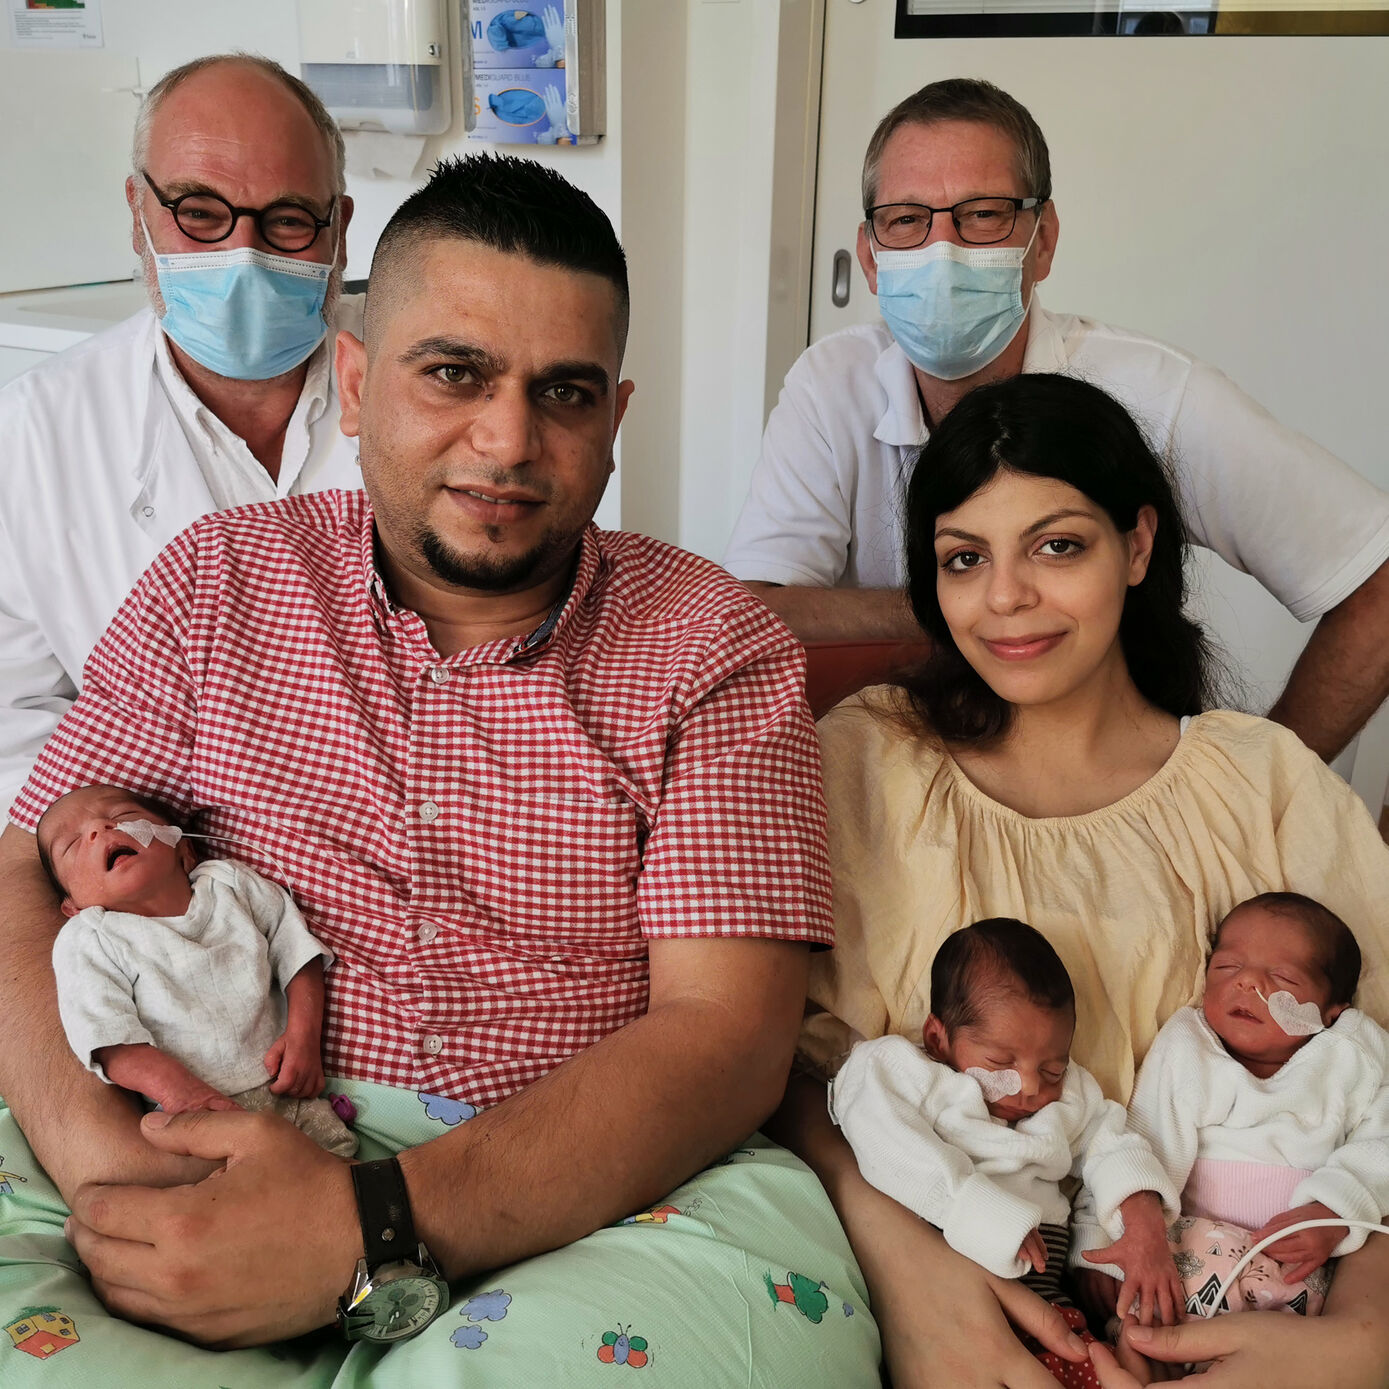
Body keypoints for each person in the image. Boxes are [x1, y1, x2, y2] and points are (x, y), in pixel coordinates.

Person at [0, 154, 878, 1386]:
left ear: (615, 421)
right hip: (197, 1139)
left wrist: (371, 1223)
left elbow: (727, 1035)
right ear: (354, 382)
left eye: (564, 393)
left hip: (598, 1192)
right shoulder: (216, 584)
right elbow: (22, 868)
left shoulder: (712, 643)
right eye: (453, 373)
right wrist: (104, 1158)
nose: (508, 440)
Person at [766, 372, 1389, 1389]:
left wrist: (1362, 1342)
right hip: (925, 1309)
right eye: (965, 558)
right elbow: (768, 1077)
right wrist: (906, 1265)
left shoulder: (1269, 787)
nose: (1006, 597)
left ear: (1139, 545)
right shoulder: (863, 766)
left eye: (1057, 546)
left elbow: (1380, 1100)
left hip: (1265, 1320)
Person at [723, 77, 1389, 761]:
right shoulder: (832, 383)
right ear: (869, 256)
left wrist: (1265, 791)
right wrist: (965, 605)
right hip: (909, 778)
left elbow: (1375, 578)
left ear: (1042, 243)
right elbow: (755, 610)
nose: (941, 251)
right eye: (906, 219)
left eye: (982, 215)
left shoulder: (1154, 396)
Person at [0, 53, 363, 814]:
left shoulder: (429, 389)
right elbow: (13, 723)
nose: (242, 255)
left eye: (290, 220)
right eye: (199, 212)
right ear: (138, 211)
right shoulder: (34, 435)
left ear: (341, 229)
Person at [829, 918, 1180, 1388]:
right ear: (938, 1038)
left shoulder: (1070, 1097)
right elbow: (881, 1136)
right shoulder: (903, 1070)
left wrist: (1137, 1223)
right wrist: (971, 1207)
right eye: (1001, 1064)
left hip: (1047, 1296)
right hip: (937, 1282)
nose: (1031, 1087)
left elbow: (1111, 1144)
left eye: (1053, 1069)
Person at [1100, 892, 1389, 1354]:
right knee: (1139, 1336)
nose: (1248, 982)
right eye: (1227, 968)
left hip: (1295, 1268)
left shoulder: (1352, 1056)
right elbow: (1141, 1144)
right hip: (1186, 1258)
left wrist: (1337, 1211)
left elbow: (1382, 1144)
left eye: (1282, 977)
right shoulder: (1189, 1045)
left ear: (1333, 1011)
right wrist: (1116, 1244)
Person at [39, 784, 356, 1157]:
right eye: (72, 845)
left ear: (184, 850)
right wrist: (182, 1094)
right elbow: (110, 1038)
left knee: (339, 1170)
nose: (98, 830)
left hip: (287, 1087)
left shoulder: (229, 884)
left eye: (123, 817)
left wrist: (303, 1038)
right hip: (192, 1113)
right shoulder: (91, 936)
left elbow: (297, 953)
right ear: (73, 906)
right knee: (233, 1197)